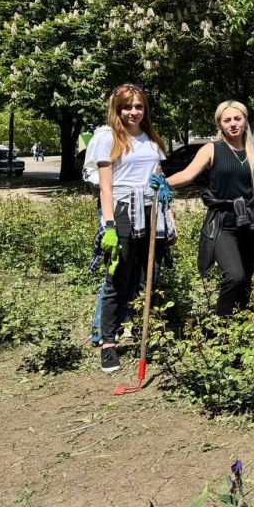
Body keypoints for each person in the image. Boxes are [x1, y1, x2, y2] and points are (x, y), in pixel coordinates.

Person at [161, 101, 254, 315]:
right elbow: (187, 175)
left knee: (246, 280)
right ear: (220, 124)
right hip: (223, 223)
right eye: (227, 120)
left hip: (251, 223)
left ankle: (239, 327)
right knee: (234, 275)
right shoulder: (212, 149)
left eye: (237, 119)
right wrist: (163, 182)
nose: (233, 124)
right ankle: (220, 327)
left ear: (245, 120)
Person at [95, 84, 173, 373]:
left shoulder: (152, 140)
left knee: (147, 276)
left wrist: (170, 217)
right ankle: (107, 343)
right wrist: (110, 226)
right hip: (124, 212)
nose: (133, 112)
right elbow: (105, 188)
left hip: (152, 212)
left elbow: (160, 183)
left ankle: (144, 333)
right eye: (127, 107)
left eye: (138, 106)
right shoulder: (109, 140)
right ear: (117, 109)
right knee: (117, 277)